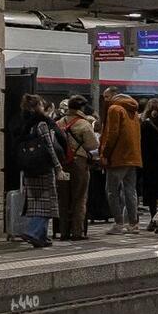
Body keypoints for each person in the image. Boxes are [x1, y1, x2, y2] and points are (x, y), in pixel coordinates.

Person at [7, 94, 63, 249]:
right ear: (37, 106)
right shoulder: (41, 124)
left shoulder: (22, 123)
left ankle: (41, 237)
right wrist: (58, 167)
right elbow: (50, 147)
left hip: (28, 169)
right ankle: (32, 231)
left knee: (36, 203)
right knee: (47, 204)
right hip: (43, 167)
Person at [98, 87, 143, 235]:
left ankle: (118, 224)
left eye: (106, 97)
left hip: (118, 156)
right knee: (130, 190)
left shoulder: (114, 109)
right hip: (133, 156)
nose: (104, 100)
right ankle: (133, 223)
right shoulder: (133, 110)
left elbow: (113, 133)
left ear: (112, 96)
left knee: (111, 191)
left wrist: (105, 153)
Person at [54, 97, 96, 240]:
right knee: (79, 197)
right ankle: (77, 232)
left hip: (62, 164)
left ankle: (64, 231)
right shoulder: (84, 124)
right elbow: (93, 145)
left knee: (63, 198)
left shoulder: (59, 123)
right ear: (81, 108)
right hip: (79, 163)